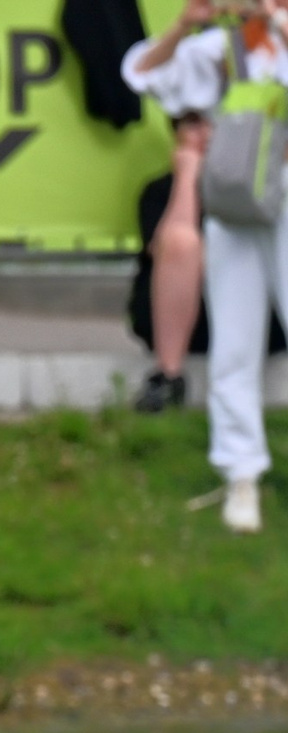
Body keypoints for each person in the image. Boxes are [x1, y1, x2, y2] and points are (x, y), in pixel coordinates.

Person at [129, 1, 288, 533]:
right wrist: (183, 25)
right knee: (234, 341)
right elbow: (144, 74)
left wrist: (279, 26)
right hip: (235, 198)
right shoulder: (225, 48)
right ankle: (241, 474)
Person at [124, 5, 221, 415]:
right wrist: (187, 176)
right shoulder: (159, 192)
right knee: (181, 241)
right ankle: (168, 375)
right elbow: (140, 71)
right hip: (190, 325)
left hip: (256, 321)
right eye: (191, 123)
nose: (203, 135)